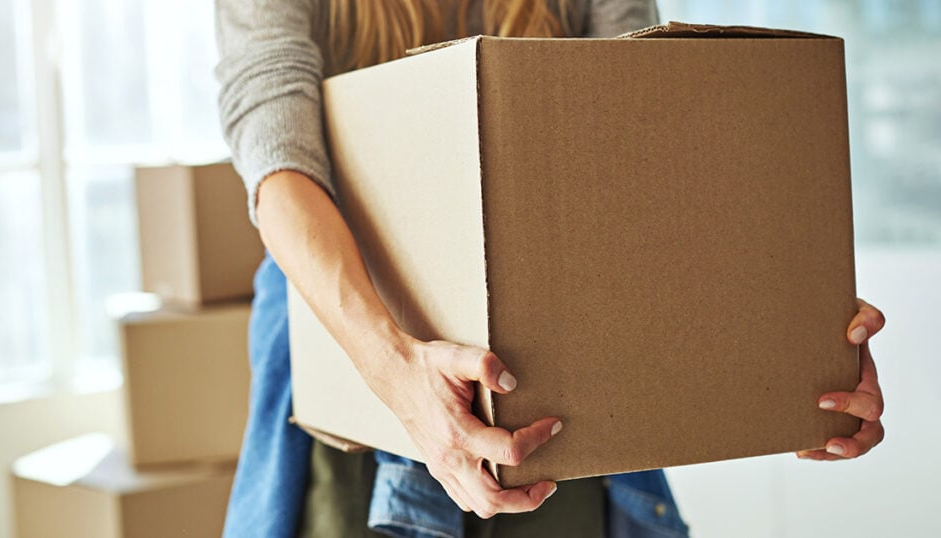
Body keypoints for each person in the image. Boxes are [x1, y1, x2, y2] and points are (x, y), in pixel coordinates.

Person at [214, 1, 888, 537]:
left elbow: (649, 126)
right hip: (354, 356)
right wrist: (396, 372)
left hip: (563, 377)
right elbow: (277, 157)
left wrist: (795, 314)